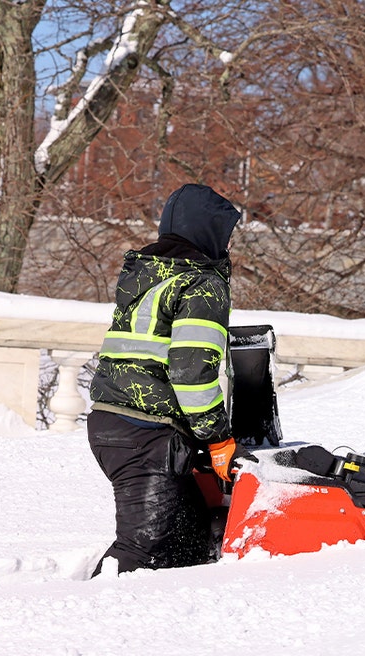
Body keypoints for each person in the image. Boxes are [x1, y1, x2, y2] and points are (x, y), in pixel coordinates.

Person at [87, 183, 253, 575]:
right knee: (143, 547)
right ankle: (81, 619)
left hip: (112, 422)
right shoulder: (201, 283)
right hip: (144, 435)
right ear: (211, 232)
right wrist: (218, 439)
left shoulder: (146, 275)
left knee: (189, 541)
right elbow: (191, 374)